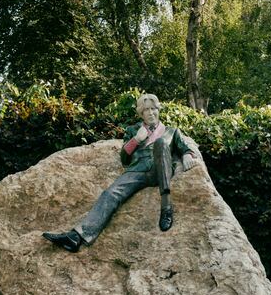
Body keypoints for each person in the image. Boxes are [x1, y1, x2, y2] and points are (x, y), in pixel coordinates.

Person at [43, 93, 198, 252]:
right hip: (137, 171)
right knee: (110, 193)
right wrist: (136, 140)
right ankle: (76, 237)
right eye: (146, 110)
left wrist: (187, 155)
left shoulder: (171, 131)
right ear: (141, 113)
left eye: (153, 109)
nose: (151, 113)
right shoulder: (133, 130)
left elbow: (186, 148)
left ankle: (166, 207)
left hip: (161, 170)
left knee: (160, 143)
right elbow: (124, 159)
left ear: (158, 110)